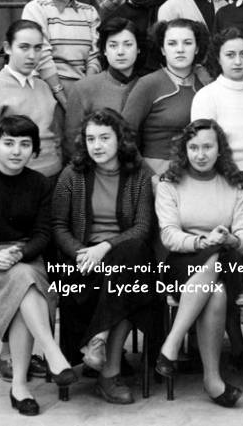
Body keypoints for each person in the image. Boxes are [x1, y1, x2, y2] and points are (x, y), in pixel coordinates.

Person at [0, 115, 78, 416]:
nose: (16, 151)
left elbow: (43, 234)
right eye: (8, 143)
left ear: (34, 151)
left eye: (25, 145)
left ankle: (20, 386)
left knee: (24, 283)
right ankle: (51, 352)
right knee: (25, 283)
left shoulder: (40, 185)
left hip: (25, 257)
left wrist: (20, 254)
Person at [51, 108, 157, 405]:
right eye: (90, 139)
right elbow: (58, 225)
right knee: (128, 282)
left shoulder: (140, 173)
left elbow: (142, 227)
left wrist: (105, 247)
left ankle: (101, 348)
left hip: (122, 256)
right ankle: (107, 371)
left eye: (104, 138)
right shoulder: (72, 174)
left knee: (131, 260)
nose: (96, 145)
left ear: (120, 139)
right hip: (82, 263)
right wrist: (82, 253)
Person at [154, 118, 243, 408]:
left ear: (219, 149)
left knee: (218, 259)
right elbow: (170, 235)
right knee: (217, 290)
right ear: (184, 150)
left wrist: (231, 240)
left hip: (228, 258)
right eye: (194, 147)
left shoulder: (234, 186)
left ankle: (171, 344)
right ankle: (213, 381)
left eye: (208, 146)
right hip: (182, 260)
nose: (201, 154)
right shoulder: (169, 184)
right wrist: (201, 242)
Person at [0, 20, 63, 177]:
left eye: (38, 48)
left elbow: (55, 135)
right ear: (8, 48)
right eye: (24, 47)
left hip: (52, 179)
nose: (32, 55)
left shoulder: (43, 86)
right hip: (16, 182)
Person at [122, 19, 208, 174]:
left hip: (198, 176)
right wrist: (149, 177)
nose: (180, 49)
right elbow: (124, 136)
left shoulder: (206, 87)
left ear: (197, 48)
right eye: (172, 43)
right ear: (162, 49)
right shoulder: (148, 84)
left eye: (187, 43)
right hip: (156, 176)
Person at [24, 0, 101, 105]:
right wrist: (61, 97)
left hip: (83, 92)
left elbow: (95, 56)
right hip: (45, 92)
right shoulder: (36, 9)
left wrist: (84, 93)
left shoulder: (89, 12)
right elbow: (42, 56)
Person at [190, 27, 243, 181]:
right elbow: (203, 148)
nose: (238, 61)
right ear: (218, 57)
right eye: (230, 55)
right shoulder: (206, 96)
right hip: (219, 177)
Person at [64, 18, 142, 157]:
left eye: (128, 45)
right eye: (113, 45)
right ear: (104, 50)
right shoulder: (83, 88)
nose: (120, 52)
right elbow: (72, 141)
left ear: (138, 49)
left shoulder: (148, 85)